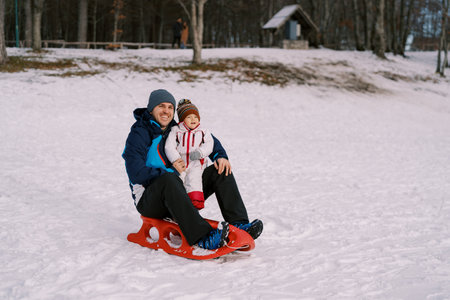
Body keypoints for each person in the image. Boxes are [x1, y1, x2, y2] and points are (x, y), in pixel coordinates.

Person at [122, 89, 263, 250]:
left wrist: (220, 156)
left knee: (220, 170)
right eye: (161, 106)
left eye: (170, 107)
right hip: (149, 200)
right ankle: (201, 237)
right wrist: (169, 173)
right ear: (151, 109)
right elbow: (136, 172)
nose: (166, 111)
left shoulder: (175, 129)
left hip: (178, 189)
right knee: (169, 179)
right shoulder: (139, 133)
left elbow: (207, 138)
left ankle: (240, 224)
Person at [165, 99, 213, 210]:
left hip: (196, 163)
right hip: (180, 163)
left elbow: (210, 144)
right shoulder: (176, 131)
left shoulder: (203, 131)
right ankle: (176, 206)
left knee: (194, 179)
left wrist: (200, 152)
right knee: (179, 181)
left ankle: (195, 203)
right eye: (189, 117)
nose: (193, 119)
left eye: (195, 117)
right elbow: (169, 146)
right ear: (182, 120)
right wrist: (175, 159)